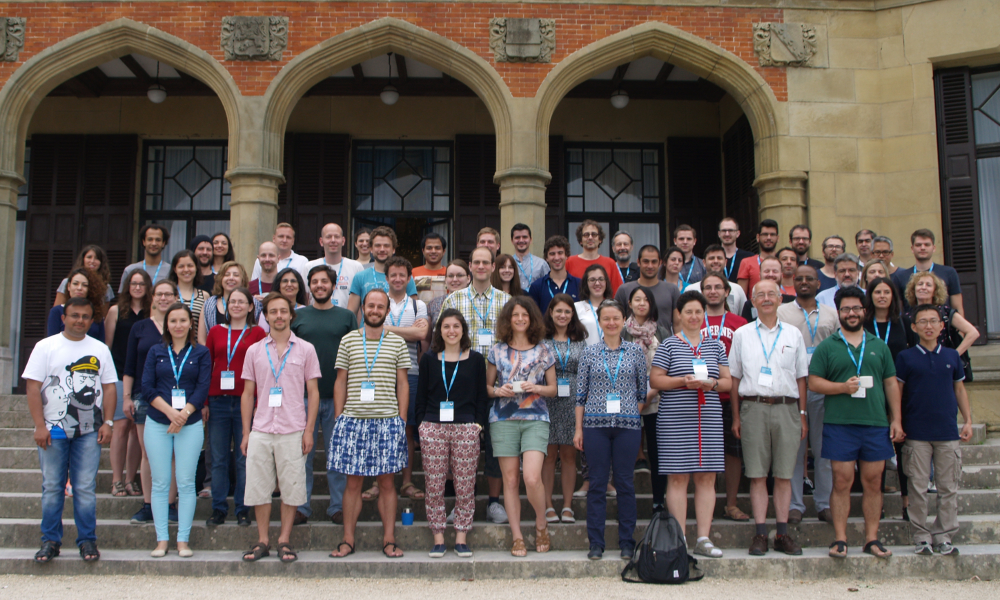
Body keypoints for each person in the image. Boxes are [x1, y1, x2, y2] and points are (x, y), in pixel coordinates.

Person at [807, 286, 903, 560]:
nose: (851, 313)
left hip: (874, 423)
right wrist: (841, 388)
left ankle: (872, 538)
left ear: (864, 311)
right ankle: (840, 538)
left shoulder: (878, 345)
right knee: (842, 481)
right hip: (840, 424)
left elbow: (890, 384)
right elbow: (814, 382)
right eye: (846, 309)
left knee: (873, 482)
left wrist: (896, 419)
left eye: (856, 308)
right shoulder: (828, 346)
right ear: (839, 313)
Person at [24, 297, 117, 564]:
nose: (80, 320)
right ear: (63, 318)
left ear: (91, 320)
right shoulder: (45, 347)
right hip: (52, 430)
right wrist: (39, 425)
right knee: (52, 486)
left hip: (89, 431)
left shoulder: (100, 349)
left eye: (85, 316)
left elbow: (109, 387)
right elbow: (33, 387)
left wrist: (108, 423)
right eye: (74, 315)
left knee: (85, 487)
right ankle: (50, 541)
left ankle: (87, 540)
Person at [328, 288, 411, 559]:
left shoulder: (397, 342)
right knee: (354, 484)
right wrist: (340, 416)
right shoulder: (349, 340)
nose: (375, 310)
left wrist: (402, 419)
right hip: (353, 421)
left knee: (387, 484)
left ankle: (389, 539)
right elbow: (340, 381)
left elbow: (403, 383)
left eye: (380, 307)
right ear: (362, 308)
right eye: (370, 306)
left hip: (387, 420)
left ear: (387, 311)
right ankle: (348, 539)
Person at [729, 279, 809, 556]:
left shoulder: (793, 334)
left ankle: (783, 533)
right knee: (757, 474)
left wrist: (802, 414)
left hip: (787, 407)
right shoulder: (742, 334)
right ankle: (761, 533)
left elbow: (801, 377)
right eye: (760, 294)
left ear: (780, 299)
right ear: (752, 300)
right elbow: (735, 378)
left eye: (771, 294)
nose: (765, 298)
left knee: (784, 475)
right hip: (754, 408)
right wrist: (736, 417)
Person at [650, 291, 732, 559]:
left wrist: (713, 384)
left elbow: (728, 382)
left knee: (707, 477)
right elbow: (656, 381)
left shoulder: (715, 345)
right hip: (675, 418)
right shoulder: (669, 345)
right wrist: (682, 381)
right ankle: (680, 538)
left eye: (699, 312)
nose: (694, 317)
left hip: (707, 418)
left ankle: (704, 538)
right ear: (679, 315)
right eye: (688, 312)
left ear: (704, 315)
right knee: (677, 477)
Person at [239, 293, 321, 563]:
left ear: (291, 314)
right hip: (261, 428)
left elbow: (314, 393)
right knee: (260, 487)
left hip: (293, 428)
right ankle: (262, 539)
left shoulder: (306, 349)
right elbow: (248, 393)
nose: (278, 316)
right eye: (272, 311)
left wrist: (309, 430)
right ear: (265, 316)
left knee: (292, 486)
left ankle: (284, 539)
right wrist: (246, 432)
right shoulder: (254, 350)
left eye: (283, 311)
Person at [438, 246, 511, 524]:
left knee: (495, 445)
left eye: (486, 262)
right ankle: (461, 502)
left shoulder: (507, 300)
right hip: (461, 384)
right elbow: (442, 338)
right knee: (460, 450)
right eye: (476, 262)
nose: (481, 266)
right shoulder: (453, 300)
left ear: (494, 266)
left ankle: (494, 503)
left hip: (497, 384)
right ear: (470, 266)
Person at [896, 304, 974, 556]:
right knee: (918, 486)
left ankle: (943, 535)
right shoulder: (906, 357)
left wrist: (968, 421)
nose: (928, 326)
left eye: (934, 321)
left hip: (947, 432)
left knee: (948, 486)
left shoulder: (952, 356)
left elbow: (959, 389)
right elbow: (897, 391)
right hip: (916, 432)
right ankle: (921, 535)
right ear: (914, 326)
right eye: (923, 322)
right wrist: (896, 421)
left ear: (942, 326)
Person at [574, 299, 647, 561]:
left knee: (626, 483)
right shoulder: (590, 352)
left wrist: (628, 413)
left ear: (623, 320)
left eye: (616, 318)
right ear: (600, 321)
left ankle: (627, 541)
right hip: (595, 426)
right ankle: (596, 542)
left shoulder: (635, 351)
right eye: (606, 318)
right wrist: (578, 429)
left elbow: (642, 391)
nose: (612, 323)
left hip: (627, 427)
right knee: (597, 484)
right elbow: (580, 395)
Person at [415, 309, 489, 558]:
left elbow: (481, 396)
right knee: (434, 485)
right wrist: (421, 426)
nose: (451, 331)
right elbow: (421, 397)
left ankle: (461, 537)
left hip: (466, 428)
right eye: (446, 326)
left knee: (465, 486)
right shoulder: (429, 359)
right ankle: (438, 537)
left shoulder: (477, 360)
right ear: (439, 331)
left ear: (463, 330)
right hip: (433, 427)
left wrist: (478, 425)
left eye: (456, 326)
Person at [487, 296, 558, 556]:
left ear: (532, 319)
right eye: (515, 315)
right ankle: (517, 536)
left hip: (535, 419)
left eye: (524, 315)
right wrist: (498, 390)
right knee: (511, 479)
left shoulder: (543, 350)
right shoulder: (496, 350)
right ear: (508, 319)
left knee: (531, 477)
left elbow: (553, 389)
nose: (519, 319)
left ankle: (541, 523)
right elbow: (487, 387)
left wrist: (536, 387)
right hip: (503, 419)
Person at [141, 302, 211, 558]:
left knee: (185, 482)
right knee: (160, 483)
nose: (178, 325)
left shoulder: (201, 352)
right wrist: (171, 413)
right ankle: (162, 540)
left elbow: (203, 388)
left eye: (183, 320)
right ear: (166, 324)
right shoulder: (155, 351)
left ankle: (183, 540)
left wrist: (183, 415)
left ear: (190, 324)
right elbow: (147, 387)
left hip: (190, 424)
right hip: (158, 422)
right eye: (173, 321)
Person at [289, 264, 358, 525]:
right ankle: (300, 507)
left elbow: (354, 356)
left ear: (333, 286)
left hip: (337, 396)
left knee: (337, 455)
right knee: (301, 455)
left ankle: (338, 507)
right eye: (314, 282)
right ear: (309, 286)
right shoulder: (298, 316)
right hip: (302, 398)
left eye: (324, 282)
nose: (319, 286)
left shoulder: (346, 317)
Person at [777, 264, 839, 524]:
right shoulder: (781, 312)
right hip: (792, 388)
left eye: (809, 279)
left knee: (824, 451)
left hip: (823, 387)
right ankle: (795, 504)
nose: (803, 282)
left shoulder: (831, 314)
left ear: (818, 284)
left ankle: (824, 503)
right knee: (793, 450)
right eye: (799, 278)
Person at [204, 287, 267, 527]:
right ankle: (219, 508)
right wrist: (205, 402)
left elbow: (264, 368)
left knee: (244, 458)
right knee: (219, 458)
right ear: (227, 306)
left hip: (245, 401)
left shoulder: (258, 332)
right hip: (218, 401)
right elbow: (207, 365)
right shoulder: (216, 332)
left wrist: (258, 404)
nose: (237, 305)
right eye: (232, 302)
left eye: (242, 302)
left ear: (251, 307)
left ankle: (242, 508)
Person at [123, 280, 179, 525]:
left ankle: (169, 504)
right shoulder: (141, 327)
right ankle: (148, 504)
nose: (164, 298)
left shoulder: (181, 326)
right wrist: (126, 397)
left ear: (176, 297)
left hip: (176, 399)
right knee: (148, 454)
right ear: (153, 298)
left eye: (169, 294)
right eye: (160, 294)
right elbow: (129, 365)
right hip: (144, 397)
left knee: (175, 455)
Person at [865, 276, 917, 518]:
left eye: (887, 292)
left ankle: (907, 503)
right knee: (878, 449)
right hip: (872, 392)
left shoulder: (903, 322)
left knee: (902, 447)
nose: (882, 296)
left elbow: (915, 353)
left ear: (893, 296)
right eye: (877, 292)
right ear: (871, 296)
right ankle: (880, 502)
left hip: (901, 391)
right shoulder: (864, 323)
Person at [699, 272, 748, 521]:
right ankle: (701, 501)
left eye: (718, 287)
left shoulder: (739, 323)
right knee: (701, 451)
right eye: (708, 287)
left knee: (732, 452)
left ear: (727, 292)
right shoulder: (694, 320)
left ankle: (730, 503)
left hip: (730, 397)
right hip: (699, 396)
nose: (713, 291)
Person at [381, 257, 429, 504]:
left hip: (411, 373)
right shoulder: (378, 301)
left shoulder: (418, 305)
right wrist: (406, 333)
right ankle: (379, 481)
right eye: (393, 275)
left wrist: (386, 330)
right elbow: (368, 331)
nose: (398, 279)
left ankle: (407, 481)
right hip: (380, 373)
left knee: (408, 429)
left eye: (402, 274)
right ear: (386, 277)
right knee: (379, 427)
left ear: (409, 278)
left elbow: (421, 334)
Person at [541, 294, 588, 524]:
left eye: (567, 312)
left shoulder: (580, 339)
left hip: (574, 401)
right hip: (547, 398)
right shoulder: (540, 338)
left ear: (572, 315)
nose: (562, 315)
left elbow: (587, 371)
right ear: (550, 312)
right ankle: (548, 505)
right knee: (548, 456)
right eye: (558, 311)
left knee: (569, 456)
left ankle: (567, 506)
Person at [104, 268, 151, 499]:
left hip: (142, 375)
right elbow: (108, 345)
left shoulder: (150, 312)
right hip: (119, 373)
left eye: (142, 284)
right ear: (127, 286)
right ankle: (116, 480)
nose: (138, 287)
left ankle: (131, 479)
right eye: (134, 283)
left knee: (136, 430)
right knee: (121, 426)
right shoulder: (115, 311)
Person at [622, 285, 670, 492]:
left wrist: (651, 392)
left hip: (657, 399)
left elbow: (670, 365)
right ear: (630, 304)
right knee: (624, 453)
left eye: (646, 300)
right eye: (637, 299)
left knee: (658, 453)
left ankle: (659, 502)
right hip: (627, 400)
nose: (641, 304)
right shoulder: (622, 331)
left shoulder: (662, 331)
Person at [904, 271, 979, 356]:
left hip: (943, 362)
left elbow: (973, 333)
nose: (923, 287)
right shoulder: (908, 315)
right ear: (913, 289)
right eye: (920, 284)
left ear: (935, 291)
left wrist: (954, 355)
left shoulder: (945, 312)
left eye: (928, 285)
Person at [348, 226, 418, 315]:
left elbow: (415, 310)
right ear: (371, 249)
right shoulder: (360, 277)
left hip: (398, 328)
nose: (382, 249)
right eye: (377, 245)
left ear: (393, 249)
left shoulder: (405, 278)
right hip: (367, 328)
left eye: (386, 246)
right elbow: (351, 313)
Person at [892, 229, 964, 315]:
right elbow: (897, 310)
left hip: (941, 325)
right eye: (918, 245)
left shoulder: (949, 272)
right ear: (912, 249)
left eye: (927, 244)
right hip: (912, 325)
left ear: (934, 248)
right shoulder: (900, 276)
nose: (922, 248)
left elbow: (957, 307)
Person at [614, 245, 681, 334]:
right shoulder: (624, 290)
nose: (650, 266)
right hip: (631, 346)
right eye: (646, 261)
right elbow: (616, 323)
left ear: (660, 263)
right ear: (638, 262)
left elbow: (678, 325)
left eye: (654, 262)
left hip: (664, 345)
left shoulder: (672, 290)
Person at [197, 261, 263, 345]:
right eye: (227, 274)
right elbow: (202, 339)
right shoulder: (208, 305)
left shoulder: (254, 304)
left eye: (236, 275)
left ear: (243, 280)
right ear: (221, 279)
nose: (231, 278)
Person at [304, 223, 366, 308]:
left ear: (343, 241)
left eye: (337, 237)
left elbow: (361, 301)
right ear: (321, 241)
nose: (333, 240)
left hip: (345, 320)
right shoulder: (309, 267)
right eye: (328, 237)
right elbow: (306, 299)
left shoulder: (356, 267)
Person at [685, 244, 748, 315]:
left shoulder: (737, 289)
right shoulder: (691, 290)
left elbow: (743, 317)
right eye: (711, 258)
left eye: (719, 258)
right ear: (704, 263)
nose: (715, 261)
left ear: (725, 262)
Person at [566, 220, 624, 294]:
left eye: (594, 234)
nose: (590, 237)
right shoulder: (569, 262)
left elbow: (617, 293)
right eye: (586, 235)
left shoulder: (610, 263)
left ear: (600, 239)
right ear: (580, 240)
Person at [48, 268, 106, 341]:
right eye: (75, 284)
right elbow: (51, 341)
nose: (79, 288)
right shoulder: (56, 311)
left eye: (84, 285)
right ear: (68, 286)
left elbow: (101, 342)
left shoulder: (96, 312)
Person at [528, 235, 581, 314]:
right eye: (552, 254)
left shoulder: (579, 284)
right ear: (546, 258)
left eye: (560, 253)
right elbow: (534, 317)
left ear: (566, 255)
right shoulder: (537, 286)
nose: (556, 258)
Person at [119, 224, 170, 292]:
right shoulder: (130, 270)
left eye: (158, 240)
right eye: (150, 239)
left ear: (163, 243)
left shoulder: (171, 270)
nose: (154, 243)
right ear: (143, 242)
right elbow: (123, 298)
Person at [167, 250, 208, 331]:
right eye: (181, 266)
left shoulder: (204, 296)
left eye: (190, 266)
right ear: (175, 269)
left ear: (196, 268)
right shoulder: (167, 294)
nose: (186, 270)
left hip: (196, 343)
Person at [740, 256, 791, 322]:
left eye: (775, 271)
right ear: (759, 275)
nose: (770, 274)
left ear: (781, 275)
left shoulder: (791, 301)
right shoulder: (750, 305)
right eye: (766, 271)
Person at [737, 219, 779, 297]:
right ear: (758, 237)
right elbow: (741, 296)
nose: (769, 238)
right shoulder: (747, 262)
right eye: (765, 234)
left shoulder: (783, 262)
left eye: (772, 234)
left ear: (778, 238)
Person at [427, 259, 471, 333]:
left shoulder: (475, 302)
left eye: (459, 275)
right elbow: (427, 338)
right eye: (450, 276)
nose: (455, 279)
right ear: (445, 279)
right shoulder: (434, 304)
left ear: (468, 278)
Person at [575, 264, 612, 345]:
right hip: (585, 355)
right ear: (586, 283)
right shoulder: (576, 308)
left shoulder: (614, 308)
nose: (597, 283)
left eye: (601, 279)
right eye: (592, 280)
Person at [511, 223, 550, 290]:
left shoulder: (541, 264)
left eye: (525, 237)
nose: (521, 240)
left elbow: (548, 287)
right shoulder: (507, 263)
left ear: (530, 240)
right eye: (517, 237)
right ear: (512, 241)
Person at [718, 217, 755, 284]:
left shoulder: (749, 257)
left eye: (731, 231)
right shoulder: (712, 257)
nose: (727, 234)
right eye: (724, 231)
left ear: (737, 233)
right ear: (719, 234)